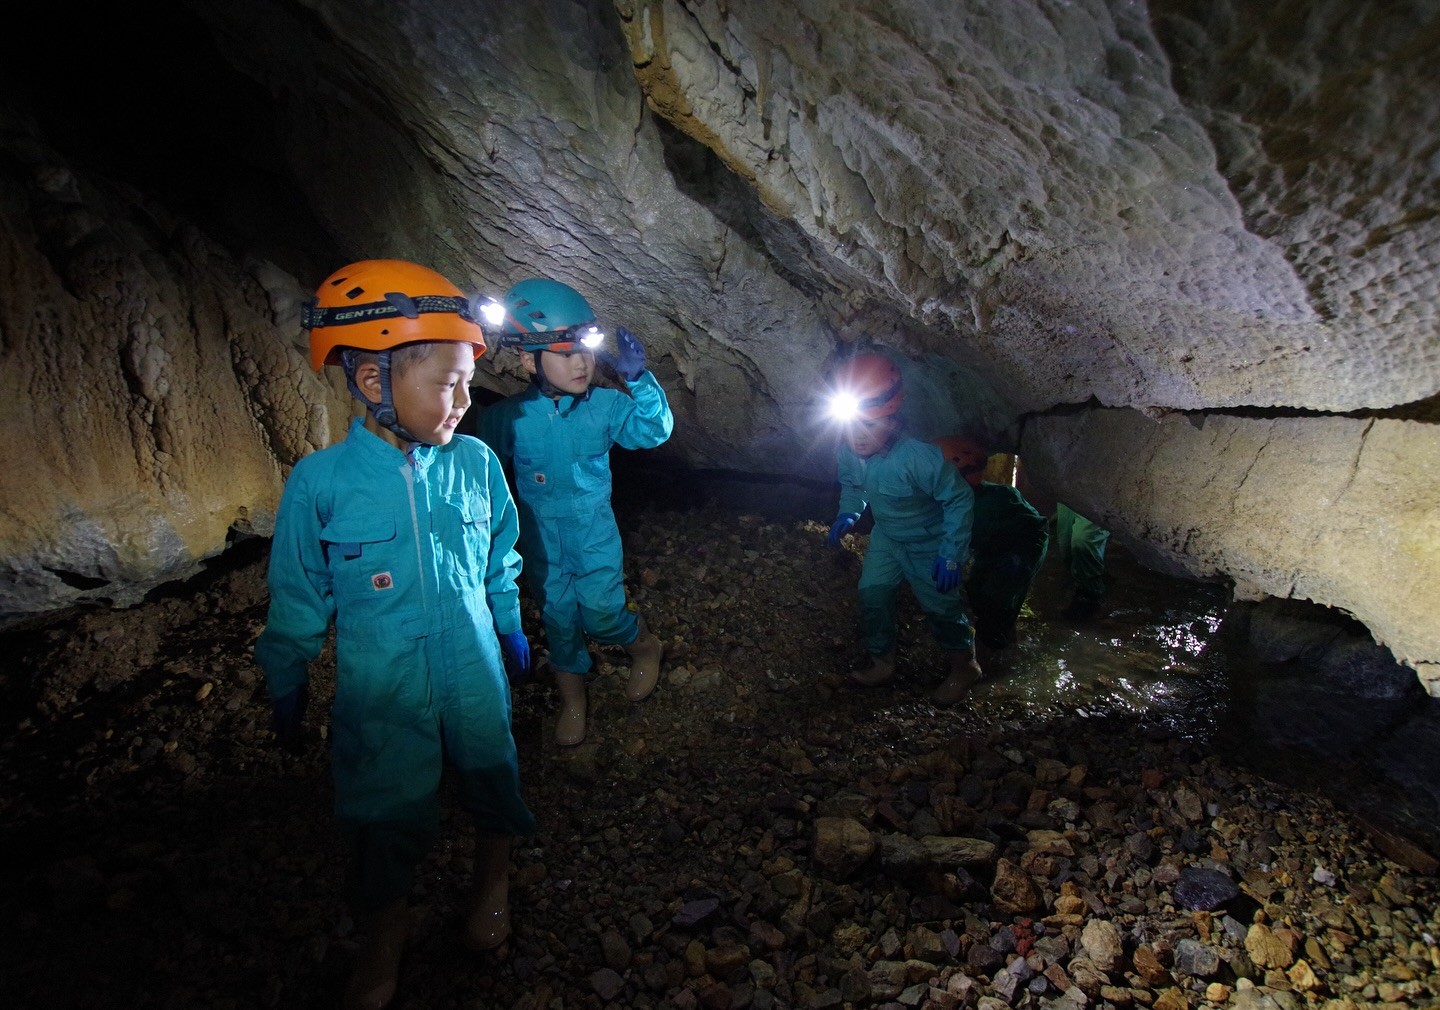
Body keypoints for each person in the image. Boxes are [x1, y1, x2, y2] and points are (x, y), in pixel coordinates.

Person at [254, 260, 535, 1010]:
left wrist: (507, 624)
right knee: (383, 804)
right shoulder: (321, 482)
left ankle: (492, 888)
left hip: (472, 663)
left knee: (491, 772)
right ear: (375, 383)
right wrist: (287, 668)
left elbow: (501, 554)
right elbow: (297, 589)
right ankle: (385, 931)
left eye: (468, 380)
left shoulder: (475, 464)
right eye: (448, 383)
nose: (465, 400)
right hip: (383, 678)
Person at [478, 278, 673, 747]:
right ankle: (573, 700)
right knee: (559, 621)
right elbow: (479, 475)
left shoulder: (604, 407)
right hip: (542, 545)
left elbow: (654, 430)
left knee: (604, 615)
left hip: (594, 538)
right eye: (565, 353)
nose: (582, 362)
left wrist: (639, 381)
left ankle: (646, 647)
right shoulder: (508, 417)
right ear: (529, 360)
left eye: (584, 349)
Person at [824, 353, 982, 705]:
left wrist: (952, 555)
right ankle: (883, 661)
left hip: (929, 543)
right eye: (851, 426)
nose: (858, 436)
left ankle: (964, 667)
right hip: (887, 537)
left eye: (868, 425)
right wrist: (848, 514)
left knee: (941, 607)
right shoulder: (850, 451)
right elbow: (853, 486)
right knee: (872, 595)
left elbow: (958, 501)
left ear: (891, 419)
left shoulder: (918, 457)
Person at [933, 436, 1049, 650]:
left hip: (1019, 551)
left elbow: (1037, 528)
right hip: (989, 551)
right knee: (976, 591)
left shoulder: (1001, 497)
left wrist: (1021, 557)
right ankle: (997, 637)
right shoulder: (947, 502)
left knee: (998, 598)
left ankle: (997, 648)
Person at [1055, 502, 1111, 620]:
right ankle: (1079, 585)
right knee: (1065, 542)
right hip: (1068, 493)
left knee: (1083, 540)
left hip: (1096, 495)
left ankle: (1091, 596)